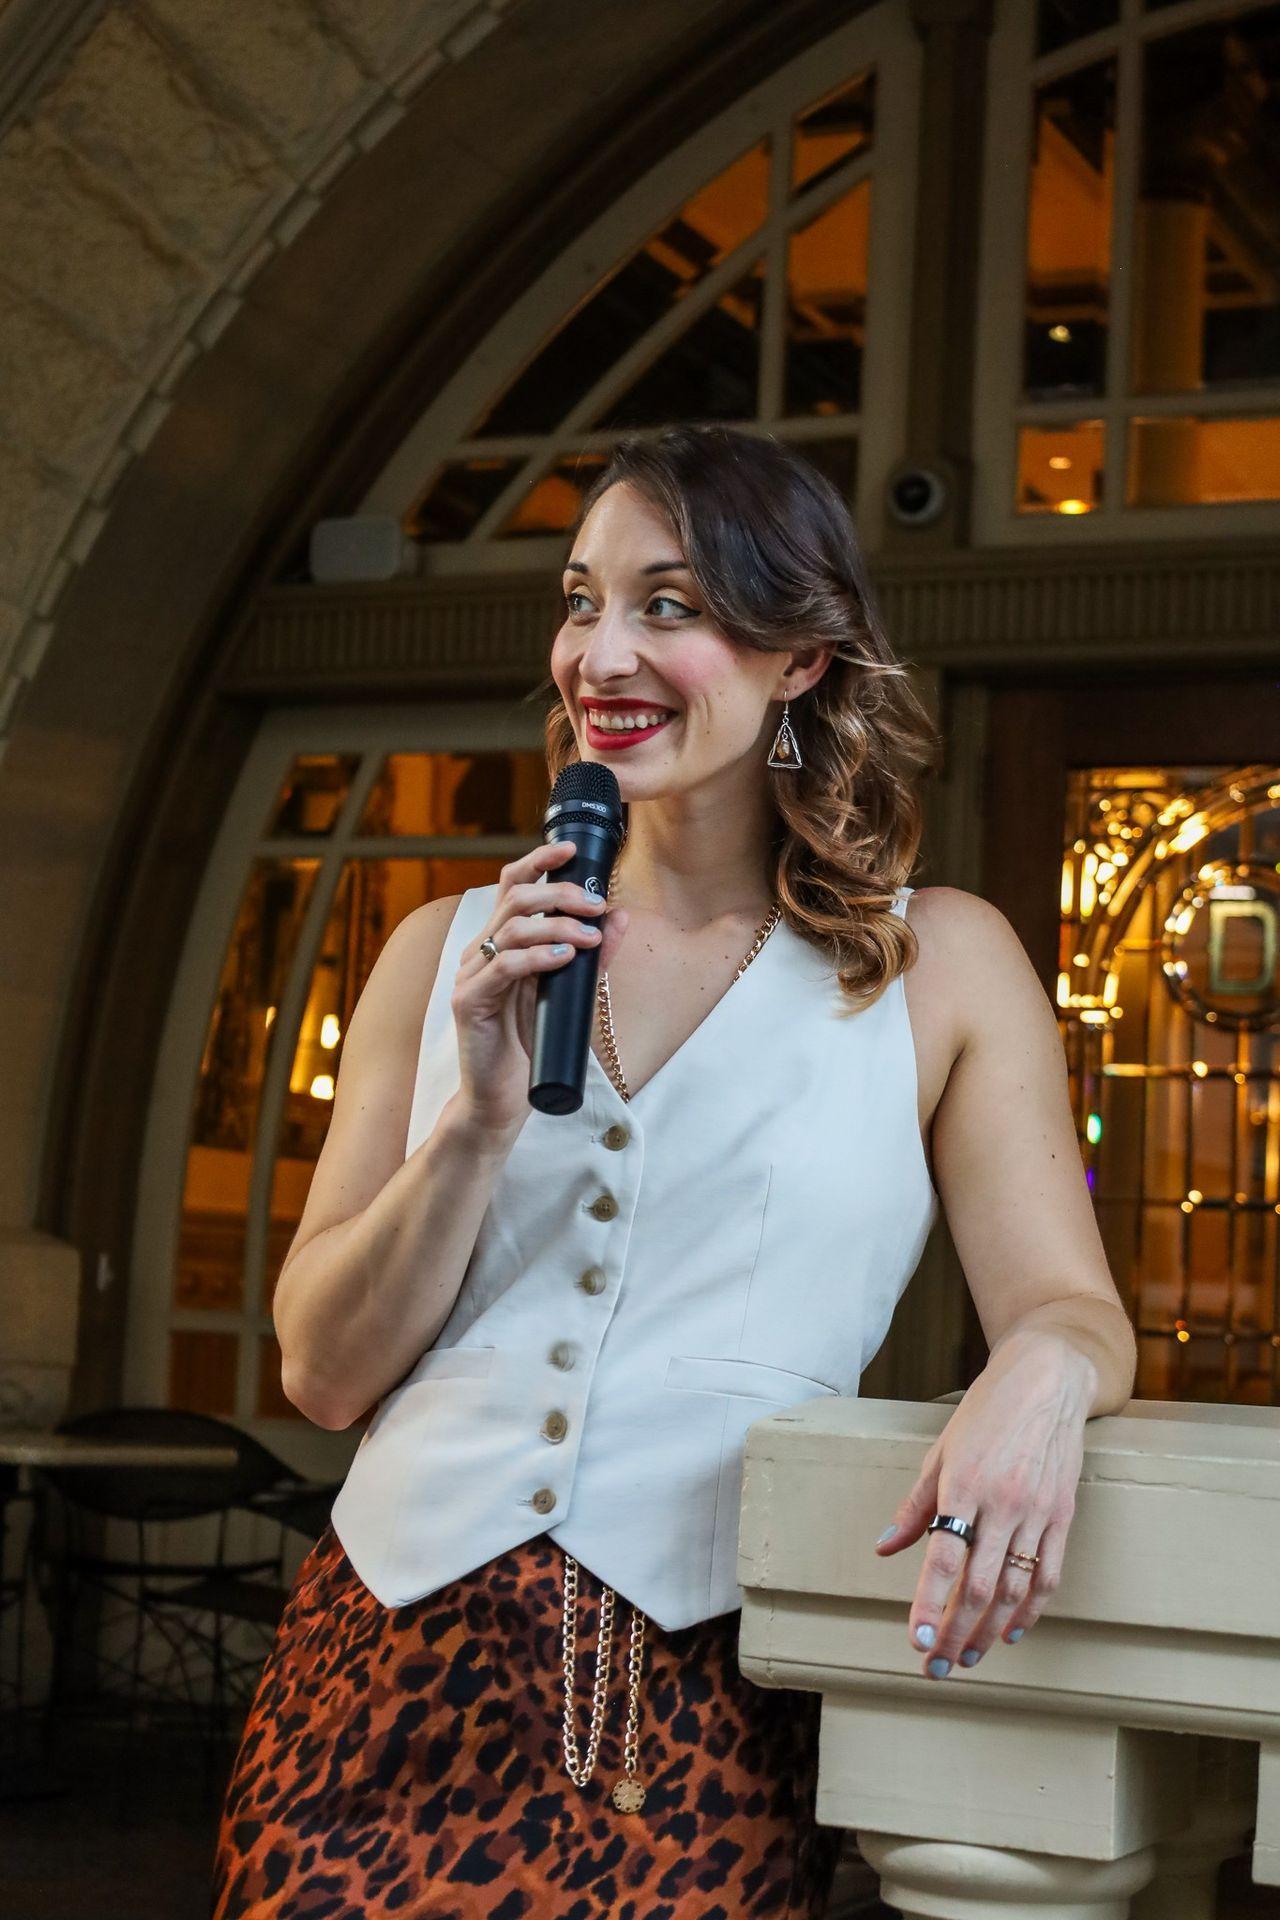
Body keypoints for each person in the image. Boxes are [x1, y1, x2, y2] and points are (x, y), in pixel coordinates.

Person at [211, 424, 1137, 1919]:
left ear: (801, 657)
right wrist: (478, 1119)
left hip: (690, 1694)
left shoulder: (938, 965)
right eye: (582, 601)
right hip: (378, 1671)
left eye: (672, 605)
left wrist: (1038, 1377)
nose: (602, 654)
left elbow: (1076, 1313)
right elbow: (320, 1371)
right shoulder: (441, 951)